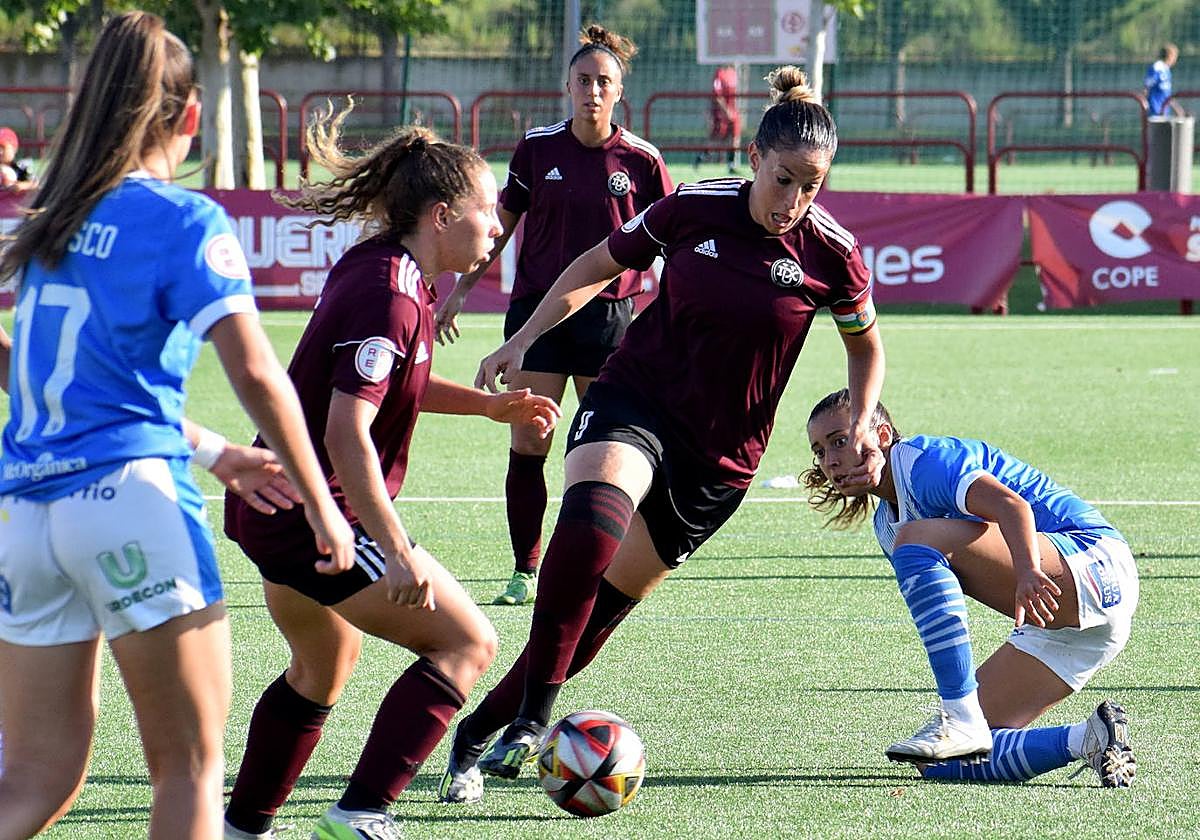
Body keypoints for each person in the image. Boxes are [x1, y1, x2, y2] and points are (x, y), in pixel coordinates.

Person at [438, 65, 886, 803]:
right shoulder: (693, 209)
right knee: (585, 532)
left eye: (814, 185)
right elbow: (596, 262)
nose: (796, 200)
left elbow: (866, 345)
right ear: (754, 160)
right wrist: (526, 336)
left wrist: (864, 422)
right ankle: (535, 720)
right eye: (785, 180)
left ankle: (478, 731)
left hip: (718, 461)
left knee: (591, 624)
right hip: (635, 399)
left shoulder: (831, 252)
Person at [0, 12, 356, 840]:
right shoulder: (184, 220)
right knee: (191, 771)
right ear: (190, 117)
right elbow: (259, 373)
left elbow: (43, 372)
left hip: (25, 516)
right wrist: (323, 503)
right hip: (130, 505)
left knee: (33, 779)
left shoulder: (50, 221)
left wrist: (213, 450)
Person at [220, 112, 562, 840]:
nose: (498, 225)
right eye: (485, 209)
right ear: (442, 216)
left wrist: (489, 409)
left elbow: (394, 386)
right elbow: (349, 433)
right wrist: (398, 549)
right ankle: (362, 812)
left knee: (323, 665)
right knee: (468, 643)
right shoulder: (393, 295)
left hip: (271, 506)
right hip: (315, 516)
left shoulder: (388, 267)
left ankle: (243, 828)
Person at [434, 25, 673, 608]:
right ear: (567, 86)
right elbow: (499, 230)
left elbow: (670, 242)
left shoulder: (642, 161)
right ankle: (525, 568)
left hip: (611, 318)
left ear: (620, 92)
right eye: (584, 80)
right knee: (529, 442)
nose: (593, 90)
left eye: (604, 82)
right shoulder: (538, 148)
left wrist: (675, 310)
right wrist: (460, 291)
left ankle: (609, 565)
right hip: (535, 319)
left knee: (604, 449)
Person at [803, 388, 1138, 787]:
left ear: (883, 435)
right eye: (820, 451)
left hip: (1092, 562)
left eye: (840, 440)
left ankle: (959, 712)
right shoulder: (886, 525)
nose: (831, 460)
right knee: (942, 760)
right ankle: (1088, 738)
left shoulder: (923, 462)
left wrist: (1029, 570)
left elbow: (1013, 507)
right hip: (1067, 626)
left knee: (915, 538)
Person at [695, 64, 741, 173]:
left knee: (734, 138)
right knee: (716, 139)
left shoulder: (733, 72)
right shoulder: (719, 73)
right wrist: (725, 111)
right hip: (720, 113)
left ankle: (731, 165)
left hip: (733, 112)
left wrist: (734, 110)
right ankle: (700, 158)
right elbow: (717, 95)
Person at [1144, 43, 1181, 117]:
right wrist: (1145, 109)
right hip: (1154, 112)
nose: (1175, 60)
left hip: (1164, 111)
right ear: (1170, 55)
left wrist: (1178, 109)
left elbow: (1166, 94)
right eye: (1175, 56)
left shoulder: (1166, 70)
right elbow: (1146, 89)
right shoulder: (1157, 67)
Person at [0, 127, 37, 192]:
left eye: (3, 148)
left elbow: (34, 183)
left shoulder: (19, 167)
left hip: (14, 201)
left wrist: (21, 186)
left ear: (14, 149)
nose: (0, 152)